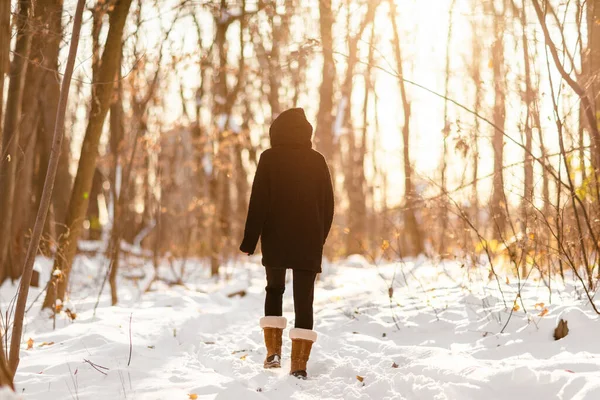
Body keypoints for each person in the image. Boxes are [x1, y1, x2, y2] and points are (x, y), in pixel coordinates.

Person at [239, 107, 334, 379]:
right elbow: (328, 205)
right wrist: (320, 237)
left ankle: (273, 354)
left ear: (275, 132)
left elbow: (258, 202)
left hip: (275, 237)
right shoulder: (317, 160)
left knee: (274, 289)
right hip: (308, 239)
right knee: (305, 300)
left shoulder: (269, 158)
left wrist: (250, 241)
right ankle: (299, 366)